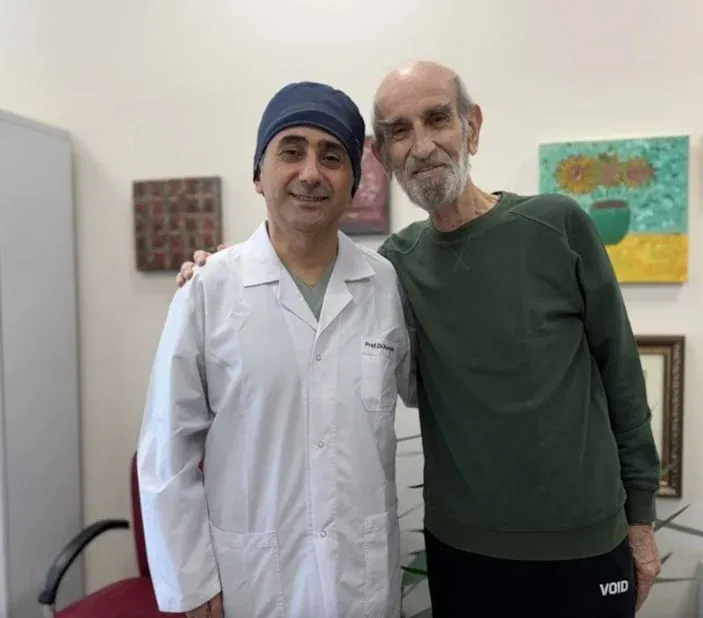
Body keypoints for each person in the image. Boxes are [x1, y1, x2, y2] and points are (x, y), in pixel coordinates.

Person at [178, 61, 662, 617]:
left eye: (437, 119)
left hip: (584, 541)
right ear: (382, 156)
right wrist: (226, 266)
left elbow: (621, 372)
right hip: (463, 549)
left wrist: (641, 519)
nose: (423, 145)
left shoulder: (557, 226)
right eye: (399, 131)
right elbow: (311, 289)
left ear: (471, 127)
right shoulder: (394, 268)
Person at [138, 81, 414, 618]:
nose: (311, 172)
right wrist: (191, 584)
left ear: (354, 184)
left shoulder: (384, 284)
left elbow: (427, 388)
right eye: (291, 151)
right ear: (258, 174)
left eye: (332, 156)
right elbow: (167, 449)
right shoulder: (208, 290)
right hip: (251, 581)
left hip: (361, 578)